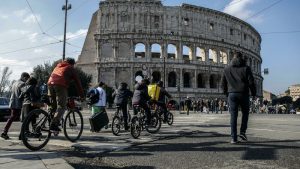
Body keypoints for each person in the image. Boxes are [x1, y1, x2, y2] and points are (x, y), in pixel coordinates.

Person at [222, 51, 256, 144]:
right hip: (243, 93)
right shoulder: (246, 68)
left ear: (233, 58)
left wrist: (226, 93)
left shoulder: (226, 69)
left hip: (231, 94)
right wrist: (253, 93)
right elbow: (251, 82)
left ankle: (233, 138)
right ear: (241, 58)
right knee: (245, 113)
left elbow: (223, 84)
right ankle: (242, 132)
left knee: (233, 116)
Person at [47, 58, 84, 132]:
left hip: (50, 84)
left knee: (53, 106)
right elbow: (78, 83)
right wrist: (82, 95)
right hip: (60, 85)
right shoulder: (70, 67)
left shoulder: (58, 66)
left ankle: (50, 120)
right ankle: (53, 124)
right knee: (62, 106)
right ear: (73, 64)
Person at [1, 72, 30, 140]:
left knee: (12, 117)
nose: (27, 81)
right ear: (24, 77)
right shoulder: (22, 84)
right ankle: (21, 135)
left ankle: (5, 132)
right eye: (27, 79)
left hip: (13, 102)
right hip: (19, 104)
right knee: (23, 119)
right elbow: (23, 94)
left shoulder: (15, 83)